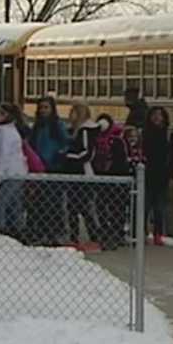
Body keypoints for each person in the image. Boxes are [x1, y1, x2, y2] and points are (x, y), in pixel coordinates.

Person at [27, 96, 70, 246]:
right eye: (41, 107)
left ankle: (55, 233)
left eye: (47, 107)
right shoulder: (37, 127)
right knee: (40, 203)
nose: (44, 110)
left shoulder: (57, 125)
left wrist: (59, 155)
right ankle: (42, 232)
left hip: (54, 167)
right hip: (39, 168)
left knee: (54, 203)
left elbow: (66, 142)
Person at [63, 102, 102, 251]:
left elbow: (87, 152)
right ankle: (74, 238)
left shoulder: (86, 130)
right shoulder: (76, 130)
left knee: (84, 207)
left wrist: (70, 156)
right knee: (73, 207)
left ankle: (94, 237)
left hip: (84, 172)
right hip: (76, 172)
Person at [143, 106, 173, 246]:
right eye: (154, 114)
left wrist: (172, 175)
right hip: (146, 175)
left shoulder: (169, 135)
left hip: (162, 176)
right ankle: (143, 233)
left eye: (160, 115)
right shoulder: (144, 134)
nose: (157, 117)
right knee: (144, 207)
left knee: (159, 208)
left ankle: (158, 234)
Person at [92, 113, 130, 251]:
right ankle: (105, 231)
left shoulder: (117, 141)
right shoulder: (95, 139)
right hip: (100, 178)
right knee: (101, 205)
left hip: (115, 179)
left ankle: (116, 232)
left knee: (116, 208)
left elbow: (122, 160)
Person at [0, 103, 29, 240]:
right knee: (14, 205)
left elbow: (4, 156)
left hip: (11, 173)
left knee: (0, 205)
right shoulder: (4, 130)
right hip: (14, 173)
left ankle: (1, 233)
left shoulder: (6, 132)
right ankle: (18, 231)